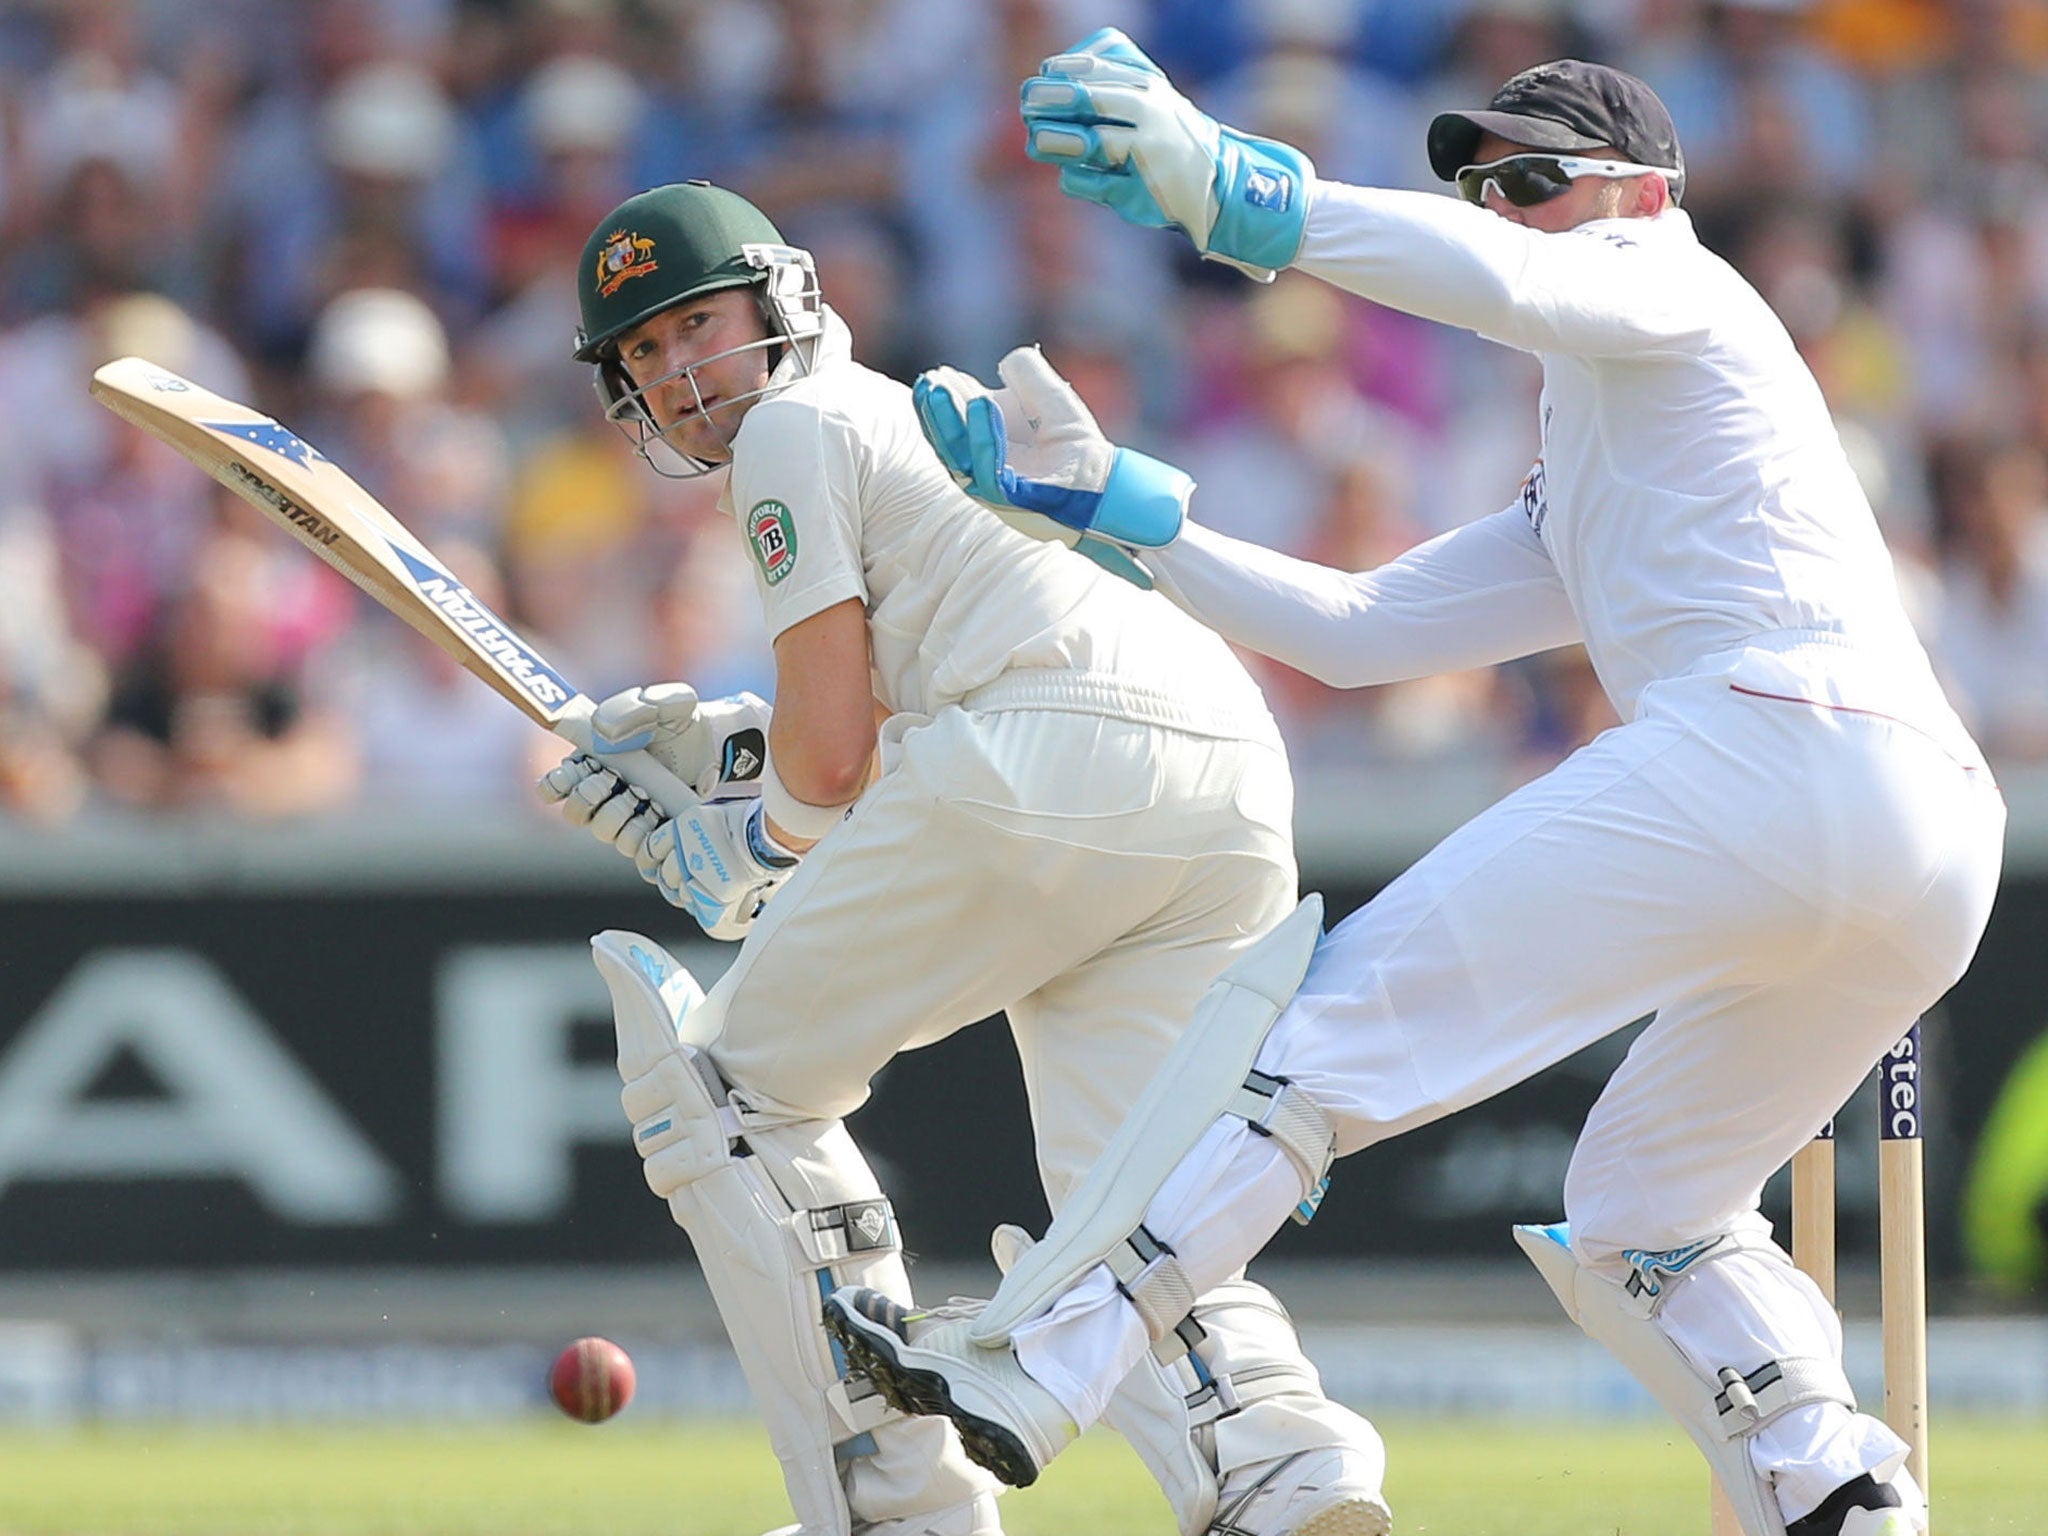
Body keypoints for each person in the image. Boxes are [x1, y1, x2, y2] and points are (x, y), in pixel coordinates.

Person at [823, 35, 2004, 1536]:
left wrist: (1246, 194)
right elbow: (1362, 631)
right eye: (1480, 186)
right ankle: (1840, 1494)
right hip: (1925, 835)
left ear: (1644, 187)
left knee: (1311, 1037)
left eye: (1531, 183)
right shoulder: (1598, 436)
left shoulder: (1678, 281)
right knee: (1645, 1215)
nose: (1501, 207)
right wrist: (1119, 513)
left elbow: (1517, 285)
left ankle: (1047, 1361)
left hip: (1773, 743)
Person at [536, 180, 1389, 1536]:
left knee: (726, 1092)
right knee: (1135, 1185)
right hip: (1217, 763)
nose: (681, 372)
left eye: (695, 323)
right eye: (642, 352)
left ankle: (893, 1497)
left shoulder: (793, 429)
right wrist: (728, 767)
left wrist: (746, 851)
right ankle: (1278, 1468)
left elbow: (830, 772)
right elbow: (875, 716)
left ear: (778, 300)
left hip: (1043, 752)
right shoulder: (901, 408)